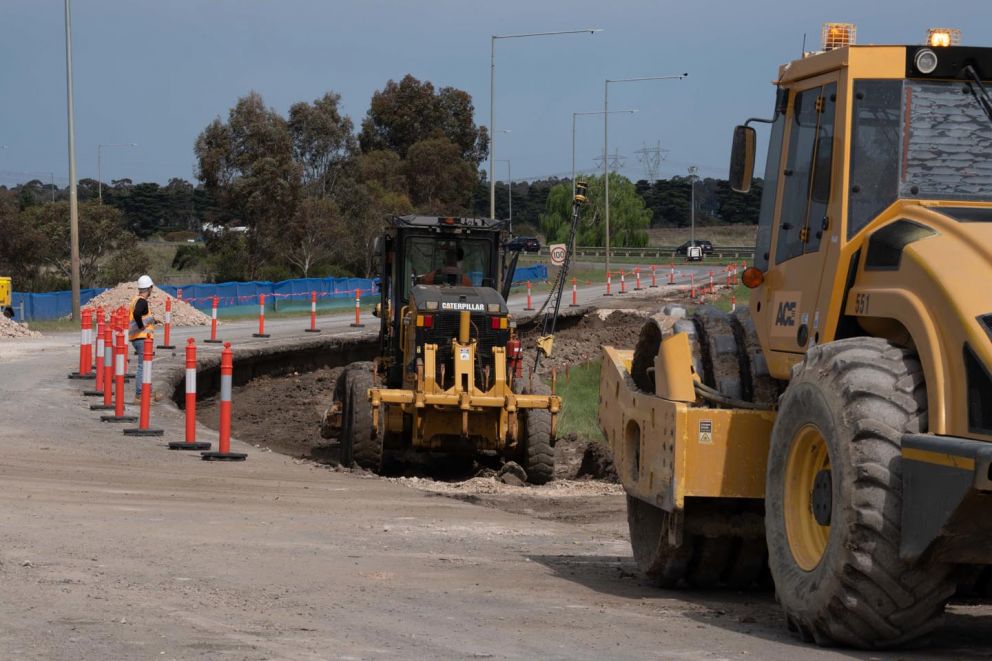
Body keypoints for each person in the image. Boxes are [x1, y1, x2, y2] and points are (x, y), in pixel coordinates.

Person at [128, 275, 158, 402]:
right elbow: (136, 314)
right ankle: (140, 394)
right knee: (143, 366)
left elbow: (138, 315)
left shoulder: (135, 299)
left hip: (137, 338)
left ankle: (148, 392)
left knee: (145, 365)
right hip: (142, 338)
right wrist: (141, 326)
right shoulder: (142, 301)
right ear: (150, 288)